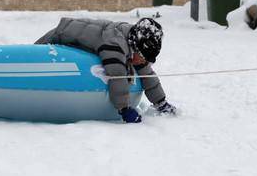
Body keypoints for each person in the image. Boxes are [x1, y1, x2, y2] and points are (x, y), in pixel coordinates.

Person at [35, 17, 176, 123]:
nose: (144, 62)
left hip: (69, 34)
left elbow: (147, 73)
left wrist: (161, 103)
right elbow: (117, 75)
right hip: (58, 36)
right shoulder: (115, 44)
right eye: (143, 57)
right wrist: (124, 109)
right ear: (136, 47)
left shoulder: (133, 42)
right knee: (35, 55)